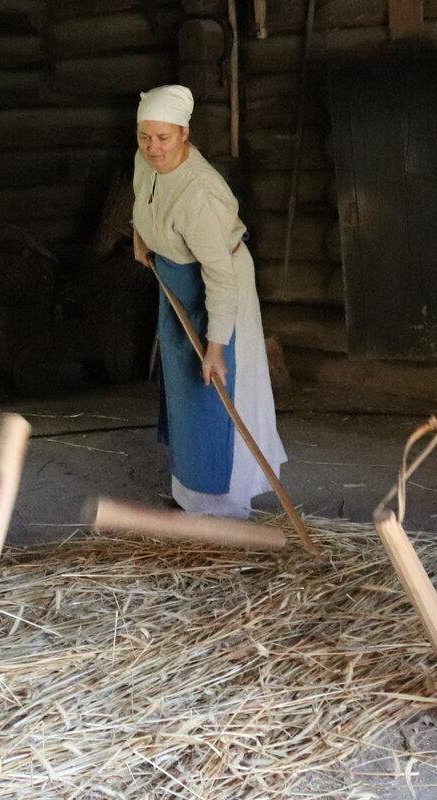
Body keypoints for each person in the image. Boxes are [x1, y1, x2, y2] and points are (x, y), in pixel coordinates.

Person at [129, 85, 287, 518]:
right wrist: (141, 236)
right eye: (145, 136)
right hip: (178, 279)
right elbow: (144, 199)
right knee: (183, 386)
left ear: (185, 134)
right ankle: (190, 493)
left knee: (213, 388)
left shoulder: (201, 195)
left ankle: (224, 503)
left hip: (218, 287)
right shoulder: (145, 160)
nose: (152, 147)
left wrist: (217, 345)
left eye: (164, 138)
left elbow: (219, 276)